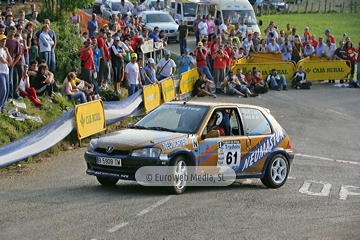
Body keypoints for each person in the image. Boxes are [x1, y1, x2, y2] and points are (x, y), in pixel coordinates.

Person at [6, 26, 22, 100]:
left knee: (10, 81)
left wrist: (13, 63)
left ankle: (10, 96)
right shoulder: (4, 40)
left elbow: (19, 54)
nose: (12, 33)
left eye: (14, 32)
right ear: (8, 31)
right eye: (11, 31)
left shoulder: (16, 42)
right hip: (2, 62)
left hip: (11, 64)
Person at [0, 34, 12, 113]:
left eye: (5, 41)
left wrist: (7, 51)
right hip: (0, 71)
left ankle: (3, 106)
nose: (4, 43)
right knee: (3, 89)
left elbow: (10, 61)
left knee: (7, 90)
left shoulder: (4, 50)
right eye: (2, 41)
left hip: (6, 71)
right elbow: (2, 60)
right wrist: (8, 62)